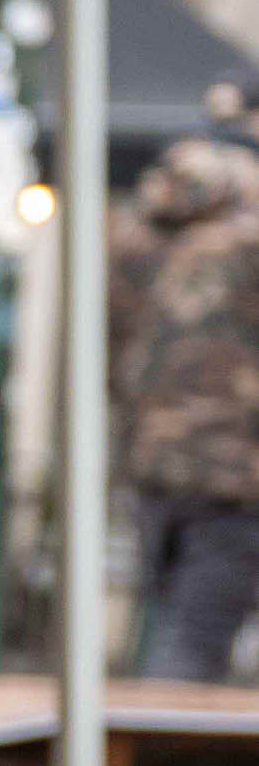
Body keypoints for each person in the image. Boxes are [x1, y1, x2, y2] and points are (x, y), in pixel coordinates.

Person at [111, 90, 259, 680]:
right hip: (237, 469)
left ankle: (140, 729)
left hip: (153, 459)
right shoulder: (247, 235)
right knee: (196, 637)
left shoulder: (142, 231)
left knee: (170, 619)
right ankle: (159, 737)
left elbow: (111, 347)